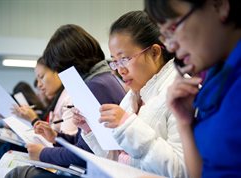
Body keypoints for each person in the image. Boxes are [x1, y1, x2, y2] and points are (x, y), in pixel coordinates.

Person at [74, 11, 187, 177]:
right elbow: (118, 160)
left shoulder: (179, 92)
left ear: (155, 52)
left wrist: (127, 125)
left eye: (125, 58)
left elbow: (180, 171)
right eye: (115, 61)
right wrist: (91, 130)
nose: (120, 70)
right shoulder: (131, 96)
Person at [5, 24, 125, 178]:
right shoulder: (103, 80)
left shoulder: (94, 86)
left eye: (60, 69)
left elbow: (85, 155)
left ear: (69, 62)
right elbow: (87, 142)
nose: (61, 75)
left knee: (19, 172)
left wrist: (43, 154)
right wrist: (56, 136)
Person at [145, 0, 241, 177]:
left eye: (173, 28)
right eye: (164, 36)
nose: (171, 46)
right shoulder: (216, 77)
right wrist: (184, 123)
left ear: (219, 6)